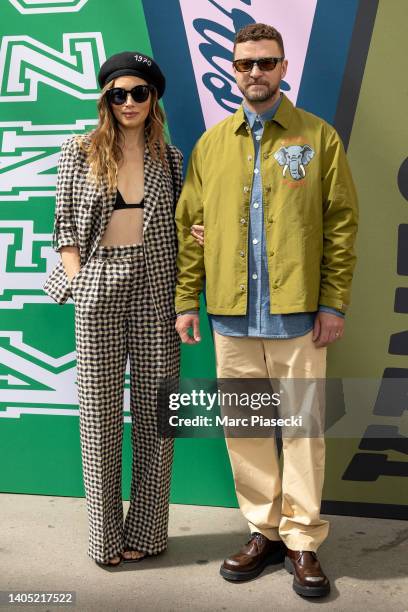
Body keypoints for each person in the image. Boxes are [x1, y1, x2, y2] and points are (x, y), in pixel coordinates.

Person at [175, 23, 358, 597]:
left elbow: (341, 227)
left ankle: (302, 539)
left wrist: (332, 302)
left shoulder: (317, 139)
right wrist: (187, 300)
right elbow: (190, 229)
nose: (255, 72)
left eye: (267, 62)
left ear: (284, 69)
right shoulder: (211, 145)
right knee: (248, 430)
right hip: (231, 316)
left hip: (298, 316)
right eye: (246, 63)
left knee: (302, 431)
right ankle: (263, 529)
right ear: (233, 70)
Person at [44, 51, 183, 569]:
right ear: (105, 98)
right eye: (118, 93)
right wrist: (81, 285)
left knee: (157, 415)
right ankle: (104, 540)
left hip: (156, 286)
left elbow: (179, 221)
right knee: (98, 417)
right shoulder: (78, 151)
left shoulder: (170, 157)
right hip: (98, 282)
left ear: (153, 98)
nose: (128, 102)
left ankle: (147, 531)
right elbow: (63, 228)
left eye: (138, 92)